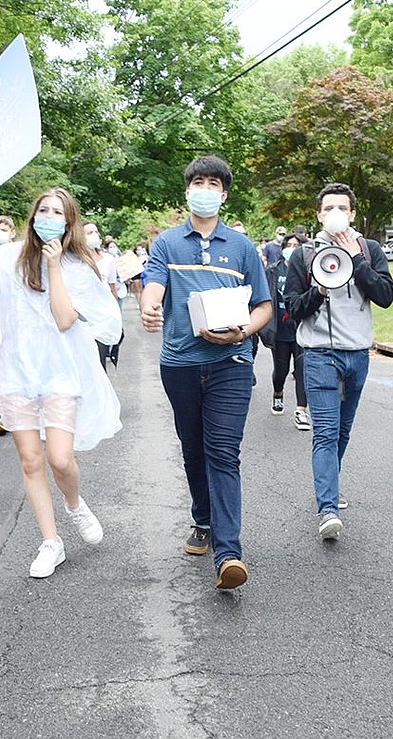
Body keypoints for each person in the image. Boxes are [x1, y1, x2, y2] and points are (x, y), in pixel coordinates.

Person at [0, 189, 121, 579]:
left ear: (69, 222)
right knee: (30, 459)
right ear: (33, 215)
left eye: (58, 212)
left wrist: (55, 267)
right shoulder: (7, 258)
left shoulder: (76, 265)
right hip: (15, 375)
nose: (49, 216)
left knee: (60, 458)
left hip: (60, 374)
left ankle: (74, 504)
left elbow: (63, 319)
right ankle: (50, 541)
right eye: (44, 210)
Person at [140, 155, 271, 590]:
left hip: (231, 364)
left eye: (213, 183)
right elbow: (154, 284)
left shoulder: (242, 247)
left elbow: (264, 306)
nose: (205, 189)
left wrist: (243, 334)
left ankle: (228, 553)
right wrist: (149, 304)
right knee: (193, 449)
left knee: (222, 452)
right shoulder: (166, 244)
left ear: (224, 193)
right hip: (180, 364)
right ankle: (202, 517)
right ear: (187, 191)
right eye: (198, 182)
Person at [284, 182, 393, 541]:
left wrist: (358, 261)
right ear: (319, 215)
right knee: (326, 432)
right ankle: (327, 509)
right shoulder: (303, 256)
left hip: (358, 354)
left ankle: (329, 485)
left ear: (352, 214)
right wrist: (318, 288)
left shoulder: (371, 249)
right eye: (328, 207)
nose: (335, 213)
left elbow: (385, 295)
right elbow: (293, 308)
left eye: (342, 208)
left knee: (343, 432)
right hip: (318, 354)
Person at [264, 233, 310, 431]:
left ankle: (301, 410)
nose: (292, 248)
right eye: (288, 244)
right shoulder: (273, 270)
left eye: (296, 245)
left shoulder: (307, 269)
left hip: (301, 328)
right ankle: (278, 393)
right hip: (280, 330)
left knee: (302, 371)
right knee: (281, 370)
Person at [84, 221, 125, 370]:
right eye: (89, 233)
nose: (93, 236)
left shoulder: (108, 260)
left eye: (95, 232)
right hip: (83, 317)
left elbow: (112, 287)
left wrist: (115, 315)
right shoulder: (75, 260)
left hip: (102, 316)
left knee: (99, 361)